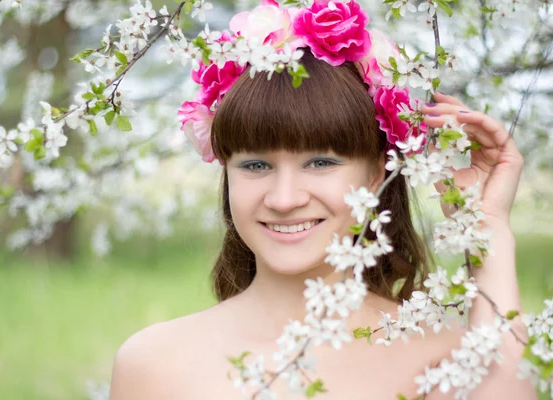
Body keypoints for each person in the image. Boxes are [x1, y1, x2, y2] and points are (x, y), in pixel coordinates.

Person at [110, 1, 535, 399]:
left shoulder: (448, 360)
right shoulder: (154, 365)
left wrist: (485, 227)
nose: (284, 198)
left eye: (320, 162)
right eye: (256, 165)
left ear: (375, 174)